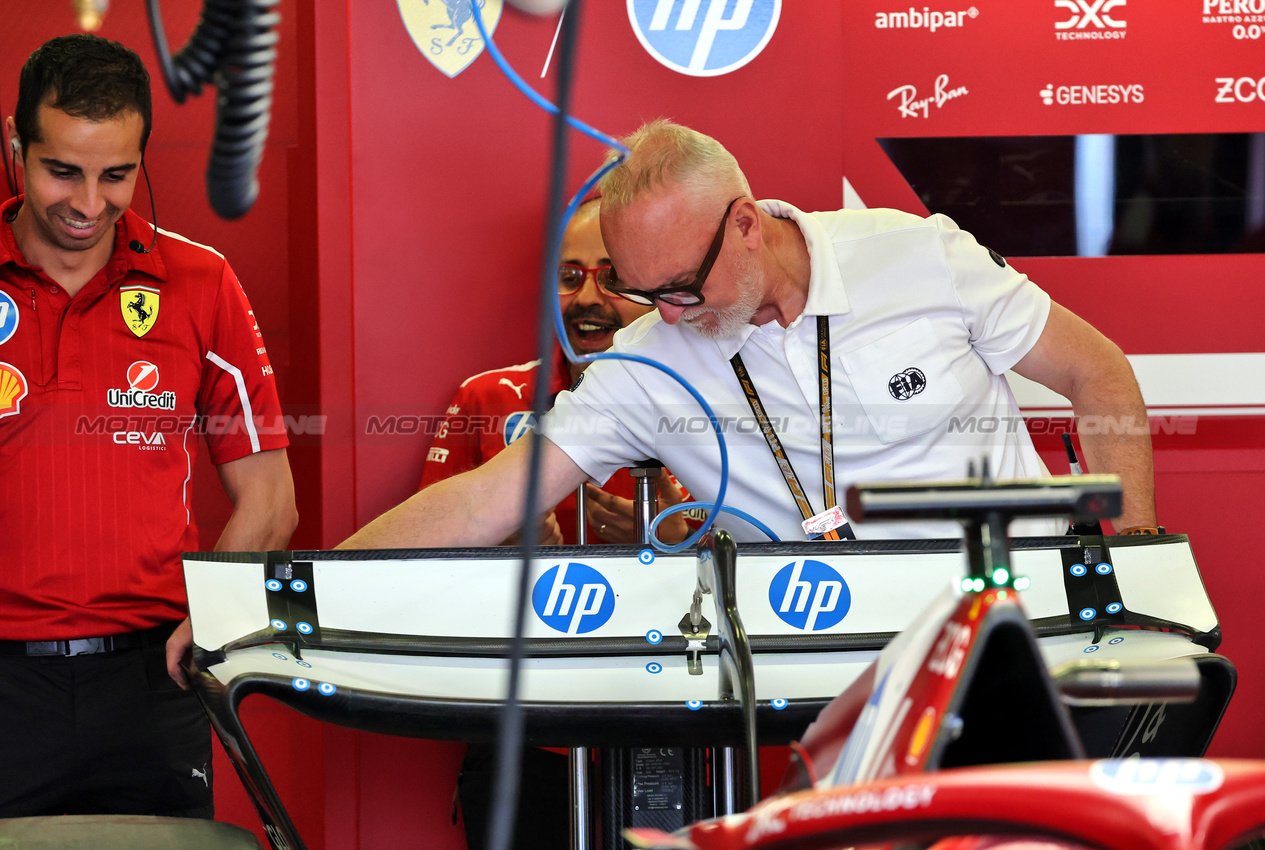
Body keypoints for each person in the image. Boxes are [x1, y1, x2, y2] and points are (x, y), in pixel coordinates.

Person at [341, 118, 1156, 550]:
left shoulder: (915, 254)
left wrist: (1139, 564)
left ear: (744, 224)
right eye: (643, 290)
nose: (665, 314)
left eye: (682, 287)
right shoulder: (646, 364)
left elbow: (1099, 376)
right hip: (841, 682)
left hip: (1017, 628)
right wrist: (303, 585)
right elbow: (486, 499)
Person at [0, 34, 297, 818]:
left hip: (151, 680)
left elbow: (270, 498)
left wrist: (215, 612)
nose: (88, 204)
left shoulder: (202, 283)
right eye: (61, 170)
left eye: (116, 175)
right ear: (14, 144)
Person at [419, 197, 697, 546]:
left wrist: (681, 541)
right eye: (569, 276)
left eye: (612, 278)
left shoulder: (717, 403)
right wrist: (496, 543)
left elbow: (763, 556)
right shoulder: (488, 398)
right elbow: (427, 553)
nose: (586, 298)